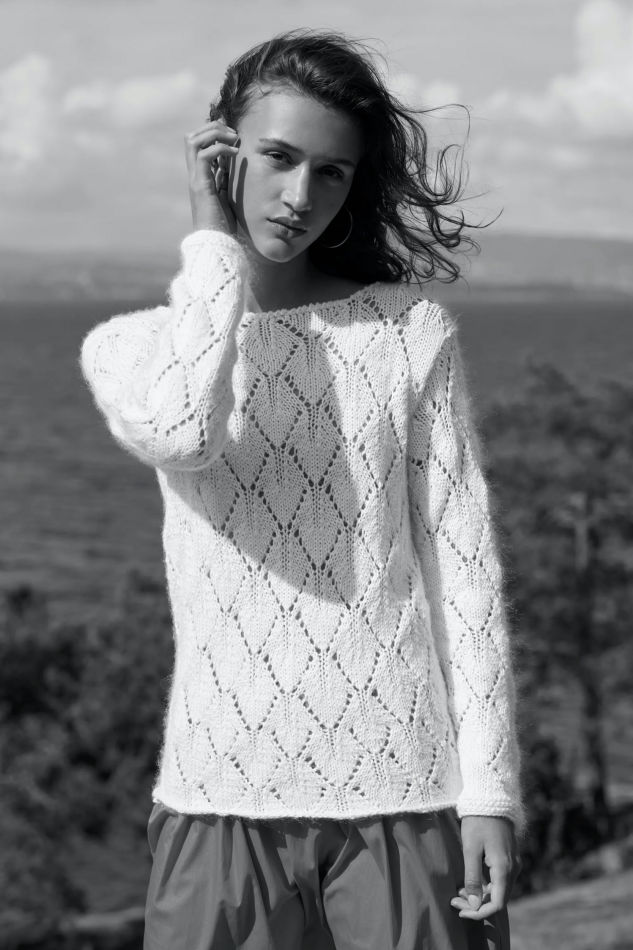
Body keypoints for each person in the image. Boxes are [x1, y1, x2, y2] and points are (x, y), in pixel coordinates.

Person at [79, 28, 525, 950]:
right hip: (216, 799)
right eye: (277, 158)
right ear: (220, 154)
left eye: (331, 172)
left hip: (405, 794)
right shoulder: (130, 348)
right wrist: (211, 244)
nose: (299, 196)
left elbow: (463, 574)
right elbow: (184, 432)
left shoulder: (408, 332)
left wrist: (489, 791)